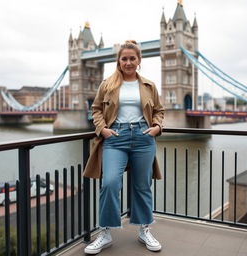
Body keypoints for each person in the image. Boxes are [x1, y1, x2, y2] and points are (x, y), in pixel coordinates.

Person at [83, 40, 164, 254]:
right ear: (118, 61)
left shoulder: (149, 85)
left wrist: (156, 127)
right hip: (115, 137)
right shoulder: (107, 84)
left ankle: (144, 229)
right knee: (109, 183)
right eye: (124, 58)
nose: (128, 62)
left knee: (142, 186)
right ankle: (106, 233)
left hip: (143, 137)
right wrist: (103, 129)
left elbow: (159, 110)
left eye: (132, 58)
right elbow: (96, 109)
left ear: (139, 60)